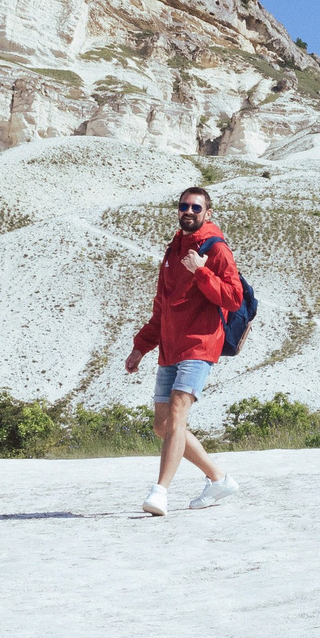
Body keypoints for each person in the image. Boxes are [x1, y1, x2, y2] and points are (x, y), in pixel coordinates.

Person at [125, 184, 244, 516]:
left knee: (177, 415)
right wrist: (140, 348)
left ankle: (159, 492)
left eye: (195, 208)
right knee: (162, 425)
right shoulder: (172, 250)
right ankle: (218, 478)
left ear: (208, 213)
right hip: (170, 348)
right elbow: (162, 307)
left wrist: (201, 271)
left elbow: (234, 298)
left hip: (200, 344)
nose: (188, 212)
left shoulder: (216, 248)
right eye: (184, 207)